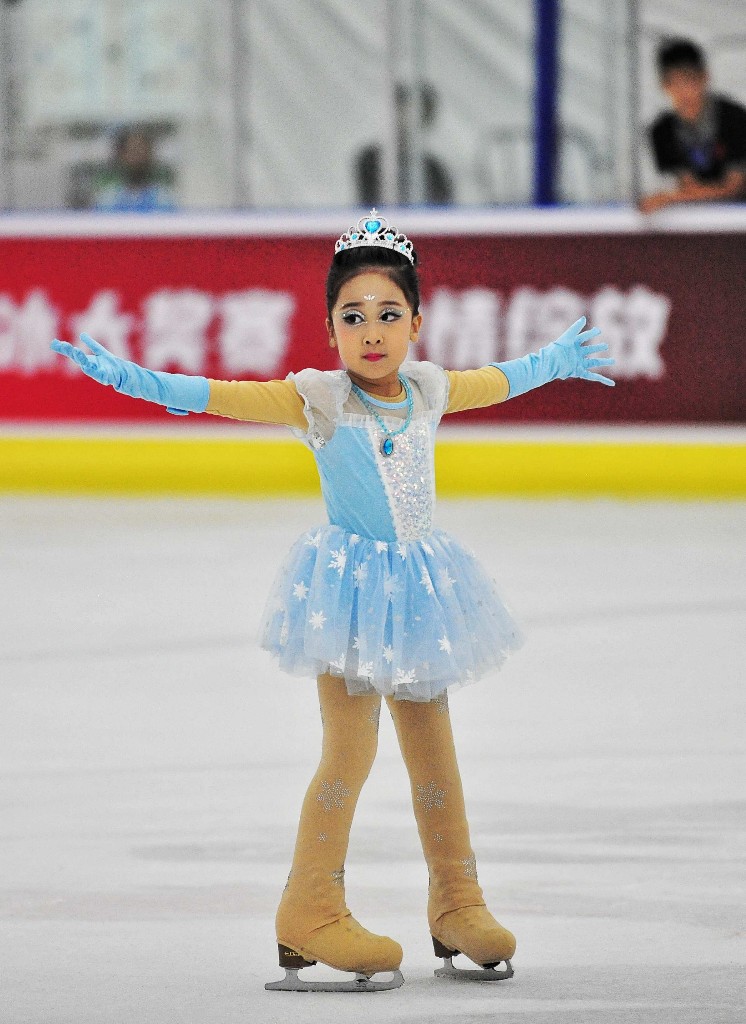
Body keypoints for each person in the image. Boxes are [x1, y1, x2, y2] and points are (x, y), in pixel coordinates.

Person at [50, 211, 614, 992]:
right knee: (350, 753)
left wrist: (556, 359)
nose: (371, 333)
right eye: (353, 317)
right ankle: (310, 907)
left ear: (416, 323)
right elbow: (221, 395)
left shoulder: (427, 389)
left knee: (435, 754)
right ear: (329, 329)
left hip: (418, 596)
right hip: (348, 599)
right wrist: (136, 380)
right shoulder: (318, 398)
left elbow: (499, 378)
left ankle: (457, 901)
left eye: (388, 314)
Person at [639, 38, 746, 213]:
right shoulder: (661, 130)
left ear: (704, 77)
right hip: (696, 217)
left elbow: (735, 188)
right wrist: (677, 196)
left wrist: (671, 198)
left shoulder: (735, 118)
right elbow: (687, 186)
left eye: (689, 80)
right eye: (674, 82)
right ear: (664, 85)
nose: (683, 91)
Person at [356, 83, 454, 205]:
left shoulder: (434, 171)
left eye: (421, 116)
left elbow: (443, 211)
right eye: (404, 112)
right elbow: (371, 209)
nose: (408, 123)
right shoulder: (372, 160)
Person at [90, 127, 177, 213]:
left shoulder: (163, 199)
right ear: (120, 156)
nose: (137, 158)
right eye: (132, 151)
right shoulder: (107, 200)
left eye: (141, 151)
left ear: (150, 156)